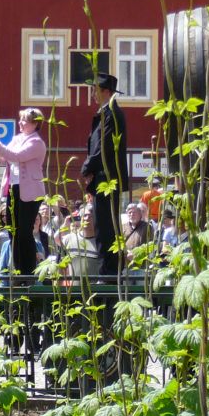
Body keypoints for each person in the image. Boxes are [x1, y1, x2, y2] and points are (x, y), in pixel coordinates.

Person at [0, 107, 47, 277]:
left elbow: (15, 155)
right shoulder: (18, 138)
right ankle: (18, 269)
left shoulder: (36, 142)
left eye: (24, 120)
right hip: (13, 188)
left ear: (35, 124)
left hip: (30, 191)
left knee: (24, 230)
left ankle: (28, 272)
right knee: (12, 231)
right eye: (21, 120)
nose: (20, 123)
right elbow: (4, 156)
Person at [81, 73, 128, 276]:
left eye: (95, 90)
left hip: (106, 178)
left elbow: (104, 147)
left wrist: (87, 169)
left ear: (106, 92)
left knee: (106, 228)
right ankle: (107, 270)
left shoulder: (111, 114)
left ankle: (108, 272)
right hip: (102, 176)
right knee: (102, 226)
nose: (93, 94)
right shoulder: (106, 113)